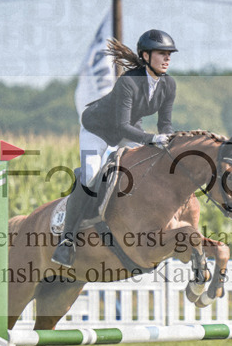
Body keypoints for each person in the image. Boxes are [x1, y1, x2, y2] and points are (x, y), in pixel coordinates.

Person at [52, 28, 178, 267]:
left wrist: (170, 141)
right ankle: (67, 240)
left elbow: (165, 124)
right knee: (90, 175)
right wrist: (152, 139)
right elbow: (121, 126)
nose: (167, 58)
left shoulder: (168, 84)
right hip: (97, 129)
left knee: (145, 170)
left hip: (129, 130)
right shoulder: (128, 81)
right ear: (146, 56)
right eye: (162, 53)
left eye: (169, 54)